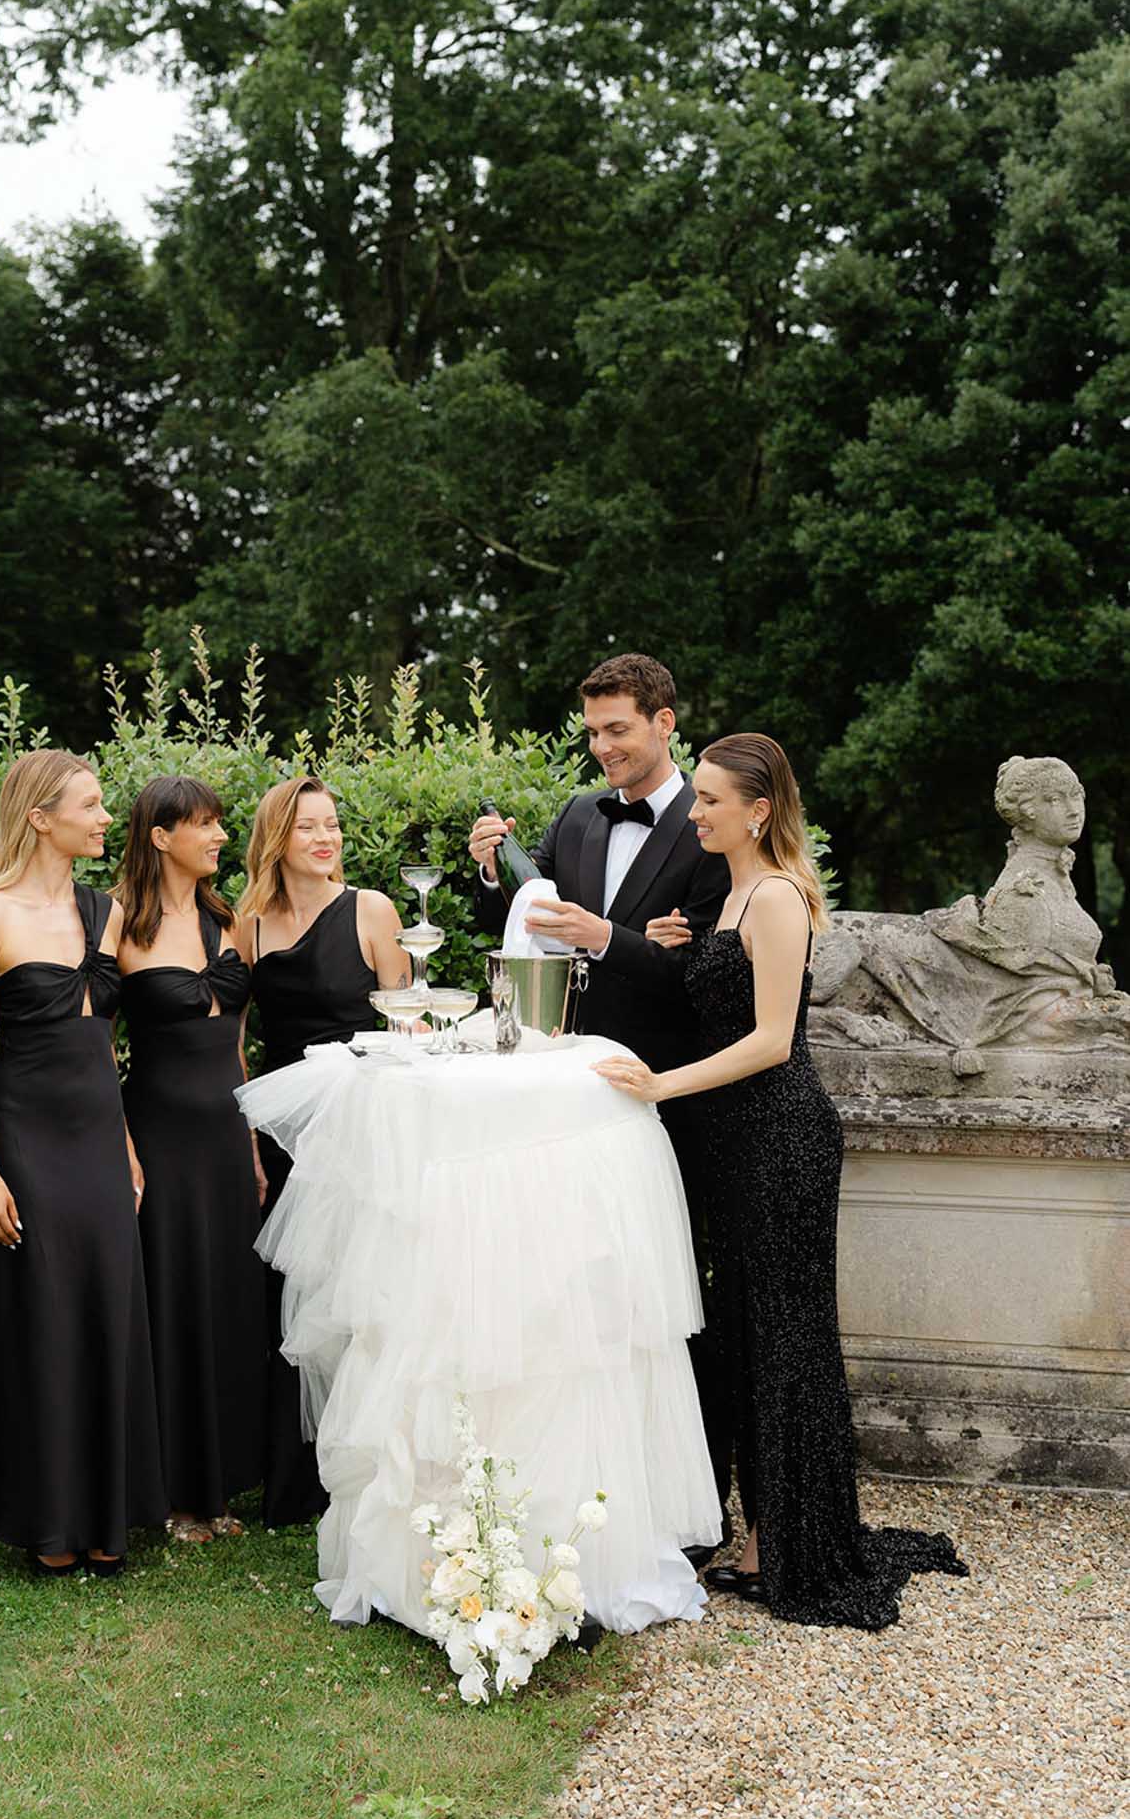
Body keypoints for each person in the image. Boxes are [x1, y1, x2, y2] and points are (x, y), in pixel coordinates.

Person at [594, 732, 967, 1630]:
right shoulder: (727, 897)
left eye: (712, 801)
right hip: (733, 1145)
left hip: (781, 1140)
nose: (696, 813)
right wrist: (666, 949)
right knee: (746, 1335)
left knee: (785, 1336)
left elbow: (768, 1042)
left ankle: (792, 1544)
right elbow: (717, 1000)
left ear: (758, 810)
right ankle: (766, 1528)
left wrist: (658, 1086)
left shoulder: (779, 897)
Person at [469, 652, 733, 1545]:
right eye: (592, 732)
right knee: (575, 1290)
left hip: (669, 1097)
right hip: (568, 1100)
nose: (602, 748)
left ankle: (681, 1501)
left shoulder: (712, 827)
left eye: (617, 730)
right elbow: (532, 913)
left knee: (665, 1301)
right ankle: (582, 1488)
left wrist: (611, 939)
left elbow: (705, 975)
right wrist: (491, 870)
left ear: (665, 722)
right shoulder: (579, 813)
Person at [0, 750, 165, 1576]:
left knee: (106, 1311)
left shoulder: (107, 910)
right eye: (91, 806)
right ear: (40, 818)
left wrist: (127, 1146)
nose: (105, 819)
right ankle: (49, 1520)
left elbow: (106, 1046)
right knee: (45, 1321)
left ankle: (109, 1514)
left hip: (100, 1142)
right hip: (25, 1139)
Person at [234, 776, 409, 1527]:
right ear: (278, 840)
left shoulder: (371, 910)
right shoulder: (249, 925)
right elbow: (232, 1039)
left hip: (365, 1123)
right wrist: (245, 1132)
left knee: (367, 1288)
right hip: (286, 1131)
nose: (324, 838)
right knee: (293, 1294)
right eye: (307, 827)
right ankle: (294, 1475)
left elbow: (409, 1025)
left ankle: (373, 1465)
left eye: (332, 824)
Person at [116, 776, 267, 1546]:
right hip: (159, 1139)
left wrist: (248, 1141)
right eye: (203, 825)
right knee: (171, 1303)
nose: (217, 836)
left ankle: (221, 1482)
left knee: (225, 1298)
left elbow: (235, 1043)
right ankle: (173, 1494)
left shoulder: (228, 918)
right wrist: (124, 1148)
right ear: (159, 836)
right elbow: (89, 1049)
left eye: (219, 823)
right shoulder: (119, 924)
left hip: (223, 1139)